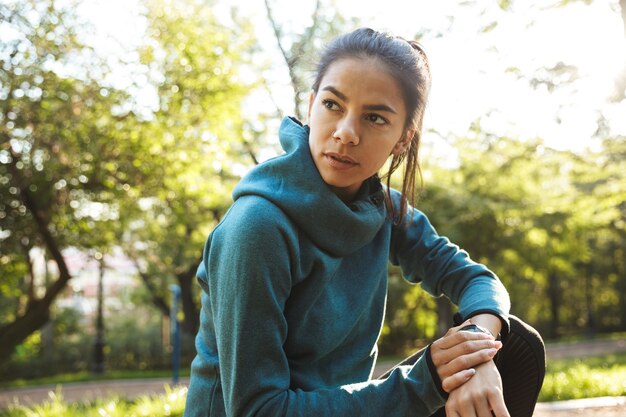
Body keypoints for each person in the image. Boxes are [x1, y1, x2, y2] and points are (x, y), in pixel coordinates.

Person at [183, 28, 545, 417]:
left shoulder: (384, 211)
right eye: (333, 105)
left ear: (403, 139)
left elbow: (478, 280)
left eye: (374, 117)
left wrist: (476, 348)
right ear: (310, 107)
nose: (345, 133)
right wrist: (431, 379)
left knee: (517, 346)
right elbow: (259, 409)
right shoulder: (256, 228)